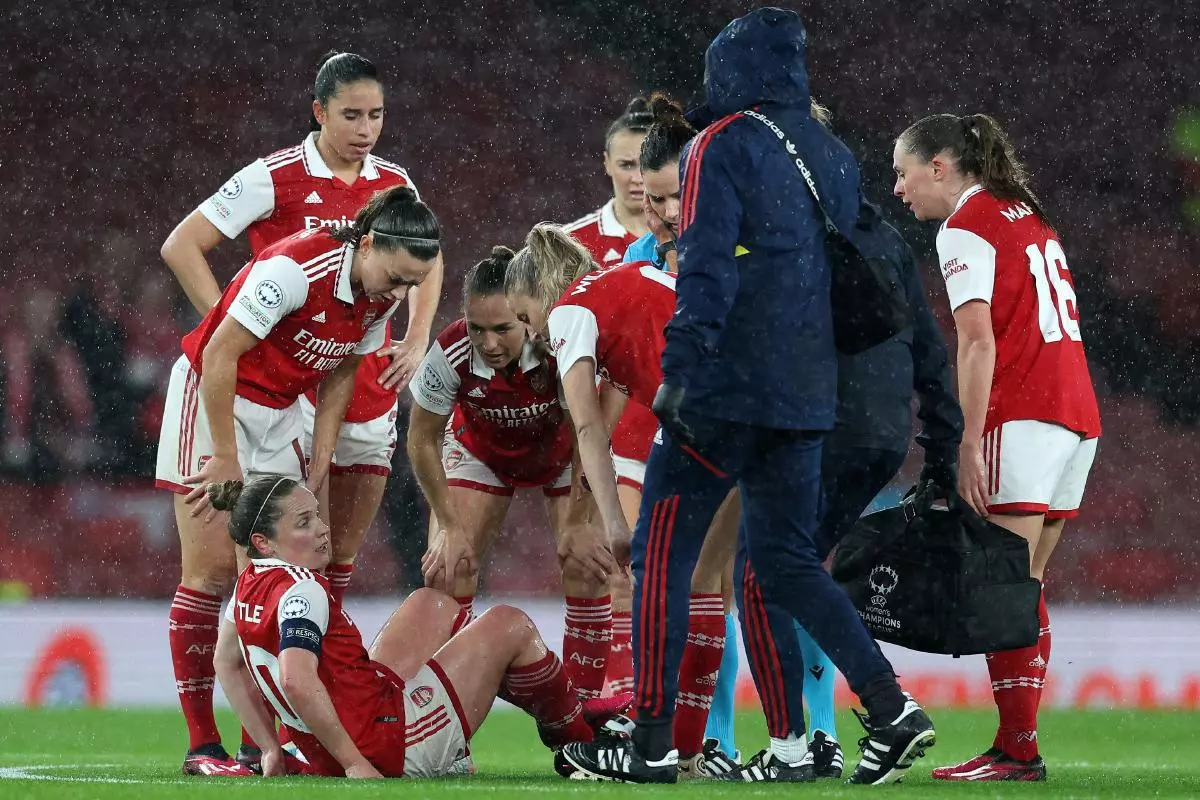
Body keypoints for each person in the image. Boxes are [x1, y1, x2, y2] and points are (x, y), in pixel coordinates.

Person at [556, 9, 935, 785]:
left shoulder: (720, 144)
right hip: (806, 393)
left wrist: (683, 370)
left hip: (729, 386)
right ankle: (892, 710)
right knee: (789, 562)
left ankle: (653, 740)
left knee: (661, 553)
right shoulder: (831, 152)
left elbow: (706, 264)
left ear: (732, 71)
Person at [155, 185, 441, 775]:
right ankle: (201, 745)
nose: (401, 292)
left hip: (284, 410)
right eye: (397, 276)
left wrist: (320, 456)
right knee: (210, 573)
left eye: (413, 283)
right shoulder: (293, 268)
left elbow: (339, 370)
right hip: (215, 399)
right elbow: (219, 356)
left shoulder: (376, 293)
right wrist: (228, 458)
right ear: (367, 244)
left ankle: (255, 743)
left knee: (271, 580)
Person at [161, 51, 442, 612]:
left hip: (351, 372)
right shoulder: (273, 176)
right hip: (284, 384)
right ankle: (266, 668)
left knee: (330, 553)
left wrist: (416, 337)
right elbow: (181, 246)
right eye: (351, 115)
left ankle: (316, 662)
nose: (366, 130)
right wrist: (238, 323)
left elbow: (427, 256)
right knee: (244, 560)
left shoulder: (394, 182)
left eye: (376, 116)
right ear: (319, 112)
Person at [893, 113, 1101, 781]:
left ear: (940, 167)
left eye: (903, 173)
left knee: (1001, 589)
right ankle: (1018, 744)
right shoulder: (1025, 213)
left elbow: (978, 341)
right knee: (1024, 585)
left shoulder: (966, 225)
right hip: (1076, 414)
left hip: (1025, 412)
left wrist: (966, 441)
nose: (899, 190)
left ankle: (1018, 750)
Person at [502, 224, 737, 779]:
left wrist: (611, 522)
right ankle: (690, 749)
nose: (529, 330)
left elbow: (586, 425)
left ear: (541, 291)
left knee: (652, 582)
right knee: (707, 585)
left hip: (709, 418)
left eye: (523, 314)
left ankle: (647, 738)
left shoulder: (572, 310)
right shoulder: (628, 280)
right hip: (760, 401)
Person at [209, 476, 628, 779]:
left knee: (432, 603)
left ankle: (542, 713)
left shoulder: (249, 585)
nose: (321, 529)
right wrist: (356, 765)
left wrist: (269, 748)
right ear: (263, 541)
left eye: (316, 515)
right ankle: (580, 742)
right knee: (510, 624)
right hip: (386, 746)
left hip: (346, 729)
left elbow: (225, 662)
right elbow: (296, 680)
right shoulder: (304, 591)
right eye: (303, 523)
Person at [407, 244, 616, 702]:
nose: (488, 344)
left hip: (566, 453)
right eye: (478, 328)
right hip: (480, 451)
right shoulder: (451, 351)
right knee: (447, 569)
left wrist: (580, 523)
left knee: (587, 565)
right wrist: (448, 525)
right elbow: (420, 438)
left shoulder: (558, 345)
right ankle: (445, 722)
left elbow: (590, 431)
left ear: (527, 316)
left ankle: (580, 724)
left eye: (502, 329)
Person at [563, 98, 652, 267]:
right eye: (626, 165)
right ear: (607, 163)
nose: (638, 178)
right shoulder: (571, 244)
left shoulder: (692, 236)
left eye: (648, 164)